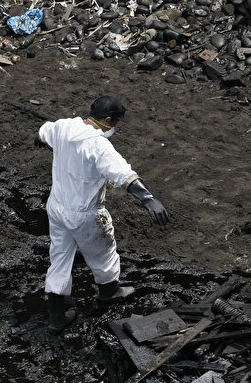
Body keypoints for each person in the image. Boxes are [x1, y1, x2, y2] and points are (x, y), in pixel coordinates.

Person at [36, 95, 169, 330]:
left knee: (59, 259)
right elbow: (122, 173)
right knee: (104, 253)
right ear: (107, 120)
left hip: (56, 207)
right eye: (116, 122)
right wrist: (149, 199)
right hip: (84, 213)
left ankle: (56, 318)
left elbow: (43, 132)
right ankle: (109, 293)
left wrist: (40, 140)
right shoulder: (98, 145)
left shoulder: (63, 126)